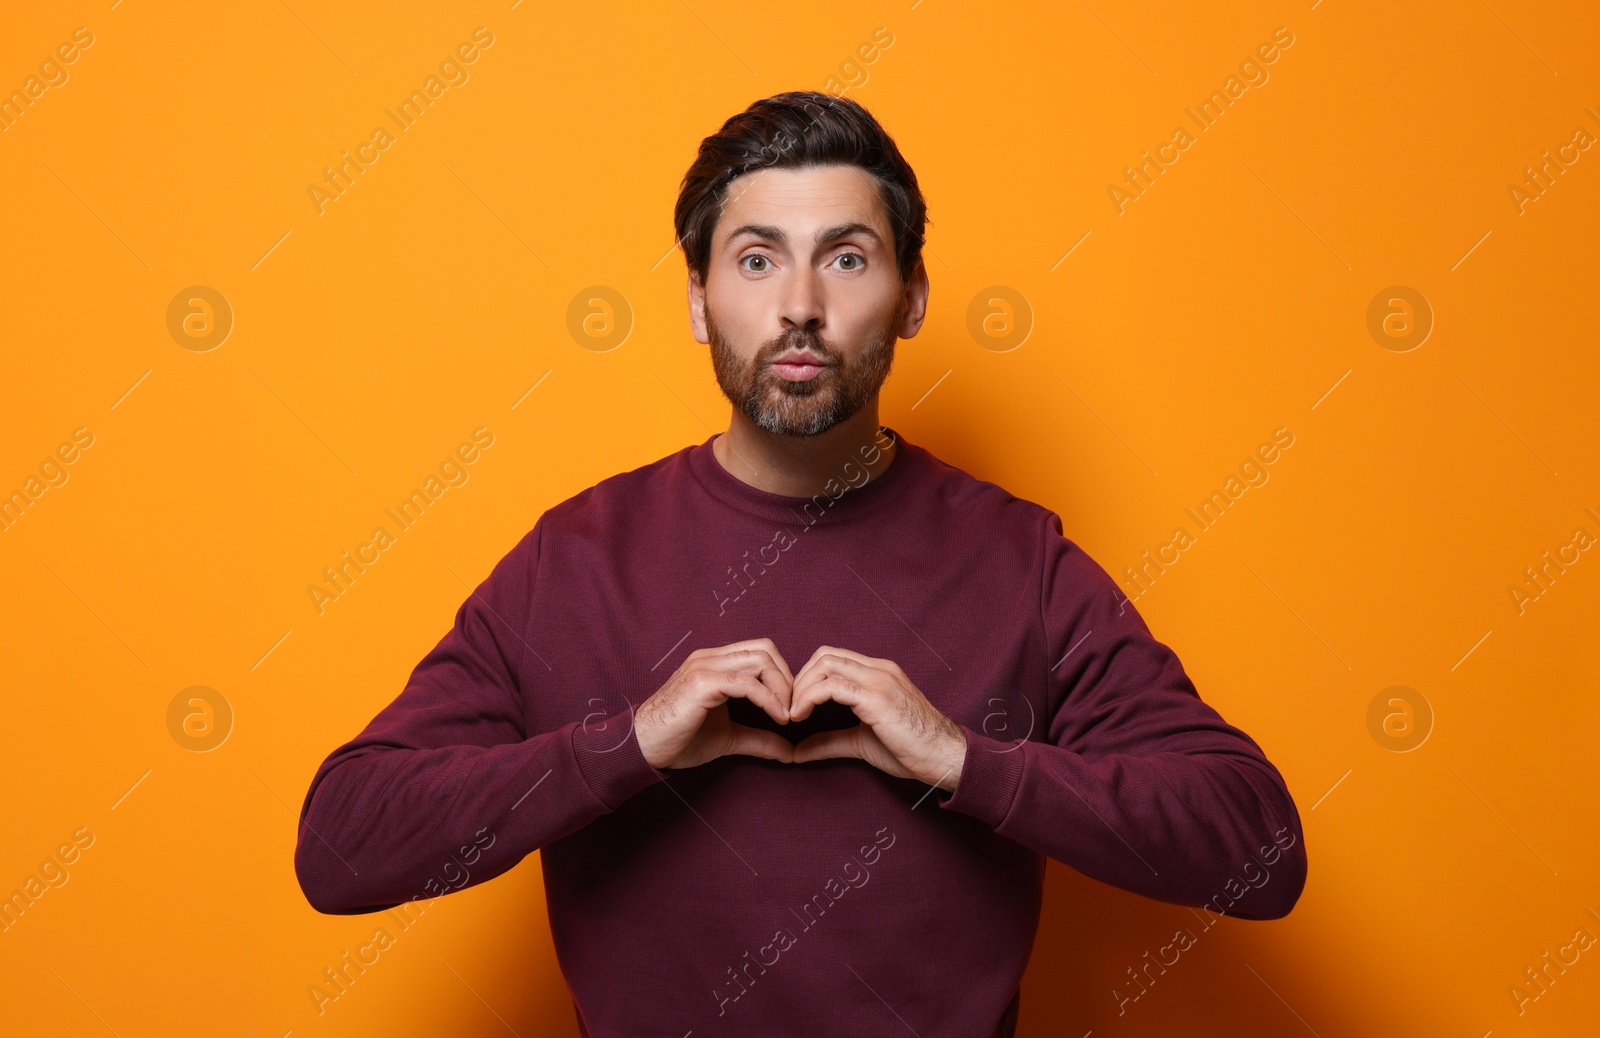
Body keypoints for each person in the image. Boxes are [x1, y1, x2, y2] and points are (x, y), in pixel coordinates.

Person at [294, 89, 1307, 1037]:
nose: (800, 306)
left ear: (912, 296)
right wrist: (629, 746)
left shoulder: (1020, 561)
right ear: (697, 300)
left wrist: (961, 759)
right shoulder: (576, 559)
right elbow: (340, 849)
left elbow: (1259, 851)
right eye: (755, 260)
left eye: (849, 259)